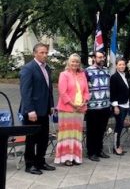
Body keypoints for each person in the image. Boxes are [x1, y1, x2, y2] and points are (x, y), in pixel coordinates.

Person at [19, 43, 56, 174]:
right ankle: (30, 165)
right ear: (35, 53)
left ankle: (40, 161)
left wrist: (51, 105)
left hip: (44, 110)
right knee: (31, 139)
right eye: (42, 52)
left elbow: (49, 89)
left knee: (43, 138)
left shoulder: (47, 68)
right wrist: (30, 110)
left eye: (46, 52)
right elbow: (25, 92)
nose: (44, 55)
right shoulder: (28, 68)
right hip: (32, 111)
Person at [54, 53, 89, 166]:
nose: (75, 63)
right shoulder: (64, 75)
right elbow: (62, 92)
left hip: (80, 109)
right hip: (67, 109)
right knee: (67, 134)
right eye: (73, 61)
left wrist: (85, 101)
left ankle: (76, 157)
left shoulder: (82, 74)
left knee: (77, 134)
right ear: (69, 62)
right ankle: (66, 158)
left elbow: (87, 91)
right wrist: (73, 104)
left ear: (79, 64)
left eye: (77, 62)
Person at [85, 51, 111, 161]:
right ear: (94, 58)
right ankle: (91, 152)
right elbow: (84, 88)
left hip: (105, 105)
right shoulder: (87, 71)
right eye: (99, 57)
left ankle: (99, 150)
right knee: (92, 131)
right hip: (92, 107)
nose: (102, 59)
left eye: (103, 57)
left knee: (101, 130)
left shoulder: (106, 70)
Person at [110, 58, 130, 155]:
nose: (122, 66)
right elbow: (112, 93)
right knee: (118, 127)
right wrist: (115, 106)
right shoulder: (114, 77)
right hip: (119, 106)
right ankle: (116, 147)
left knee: (121, 126)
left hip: (125, 105)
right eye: (120, 64)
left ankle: (118, 145)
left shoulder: (125, 76)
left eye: (123, 64)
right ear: (116, 66)